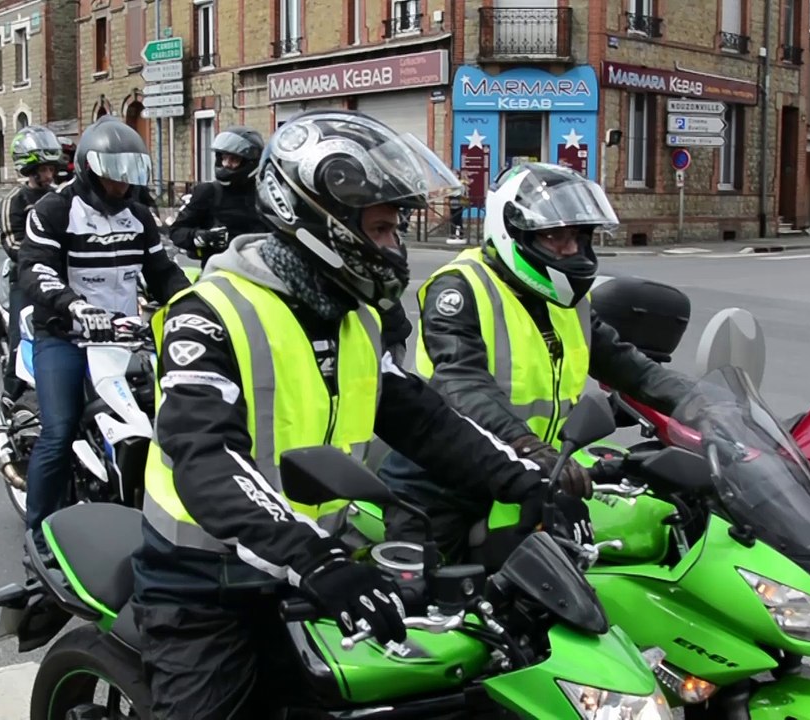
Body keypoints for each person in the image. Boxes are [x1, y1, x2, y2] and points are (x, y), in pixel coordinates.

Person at [130, 110, 550, 719]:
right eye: (381, 229)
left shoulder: (355, 317)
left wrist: (523, 478)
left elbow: (426, 420)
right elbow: (206, 458)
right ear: (320, 223)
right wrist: (316, 560)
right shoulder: (210, 314)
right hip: (205, 583)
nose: (394, 246)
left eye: (396, 228)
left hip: (310, 567)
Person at [378, 162, 695, 569]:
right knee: (432, 606)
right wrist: (531, 448)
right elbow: (463, 386)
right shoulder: (460, 287)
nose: (571, 250)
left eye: (579, 238)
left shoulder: (571, 302)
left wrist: (702, 404)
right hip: (444, 483)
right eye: (556, 237)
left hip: (530, 477)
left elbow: (630, 367)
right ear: (513, 233)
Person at [19, 116, 190, 547]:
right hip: (65, 335)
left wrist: (195, 304)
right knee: (59, 431)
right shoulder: (54, 210)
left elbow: (162, 271)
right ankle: (38, 534)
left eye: (128, 176)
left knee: (170, 414)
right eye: (113, 178)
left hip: (126, 334)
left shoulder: (138, 216)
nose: (121, 186)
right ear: (88, 171)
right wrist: (74, 307)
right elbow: (36, 270)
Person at [0, 125, 64, 400]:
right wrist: (42, 260)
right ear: (29, 169)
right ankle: (12, 399)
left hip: (61, 278)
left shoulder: (62, 197)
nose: (49, 175)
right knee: (21, 339)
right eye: (43, 169)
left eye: (51, 168)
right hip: (24, 281)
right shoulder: (15, 199)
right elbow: (11, 241)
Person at [169, 126, 270, 267]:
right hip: (218, 271)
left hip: (260, 270)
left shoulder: (266, 193)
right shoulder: (208, 192)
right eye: (223, 158)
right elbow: (176, 231)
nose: (226, 164)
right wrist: (202, 237)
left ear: (250, 161)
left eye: (234, 159)